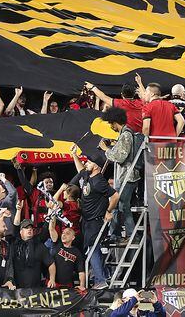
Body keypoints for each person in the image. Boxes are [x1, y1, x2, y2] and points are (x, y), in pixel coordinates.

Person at [60, 146, 118, 289]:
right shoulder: (88, 176)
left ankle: (100, 280)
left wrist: (108, 210)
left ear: (96, 166)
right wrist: (74, 155)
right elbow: (80, 170)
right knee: (93, 250)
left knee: (93, 250)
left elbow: (115, 196)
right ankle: (105, 274)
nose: (86, 164)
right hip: (86, 221)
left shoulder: (99, 181)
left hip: (95, 221)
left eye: (89, 162)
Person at [99, 107, 141, 242]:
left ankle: (132, 235)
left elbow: (120, 157)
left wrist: (106, 150)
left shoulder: (126, 135)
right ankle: (115, 234)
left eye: (111, 124)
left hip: (127, 177)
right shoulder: (125, 134)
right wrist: (113, 144)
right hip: (125, 176)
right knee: (118, 205)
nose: (111, 127)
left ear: (115, 121)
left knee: (123, 205)